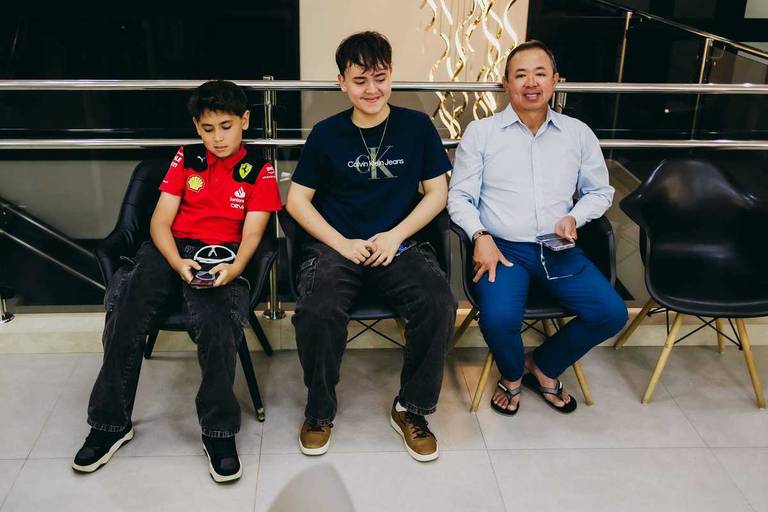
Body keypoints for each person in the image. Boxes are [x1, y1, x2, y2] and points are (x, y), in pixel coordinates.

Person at [72, 80, 282, 482]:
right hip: (169, 249)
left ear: (244, 120)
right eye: (208, 129)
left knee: (218, 324)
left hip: (223, 255)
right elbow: (159, 222)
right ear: (197, 127)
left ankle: (218, 431)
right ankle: (110, 424)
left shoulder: (260, 170)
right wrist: (177, 261)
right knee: (126, 310)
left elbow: (254, 233)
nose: (217, 138)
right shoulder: (186, 159)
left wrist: (235, 268)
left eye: (226, 126)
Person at [286, 31, 456, 462]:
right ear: (342, 82)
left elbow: (437, 192)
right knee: (317, 309)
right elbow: (296, 201)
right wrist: (342, 244)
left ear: (391, 75)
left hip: (398, 243)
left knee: (438, 301)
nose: (372, 89)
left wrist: (396, 235)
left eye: (380, 78)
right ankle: (319, 411)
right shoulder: (326, 134)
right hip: (337, 246)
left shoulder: (416, 127)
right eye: (360, 80)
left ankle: (412, 408)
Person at [448, 40, 628, 416]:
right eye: (521, 75)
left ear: (555, 80)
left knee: (611, 313)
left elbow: (600, 191)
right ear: (505, 83)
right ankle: (513, 375)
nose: (531, 83)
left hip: (557, 247)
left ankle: (543, 364)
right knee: (498, 319)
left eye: (540, 73)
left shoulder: (578, 133)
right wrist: (480, 236)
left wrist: (575, 217)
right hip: (503, 249)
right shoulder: (481, 133)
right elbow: (459, 197)